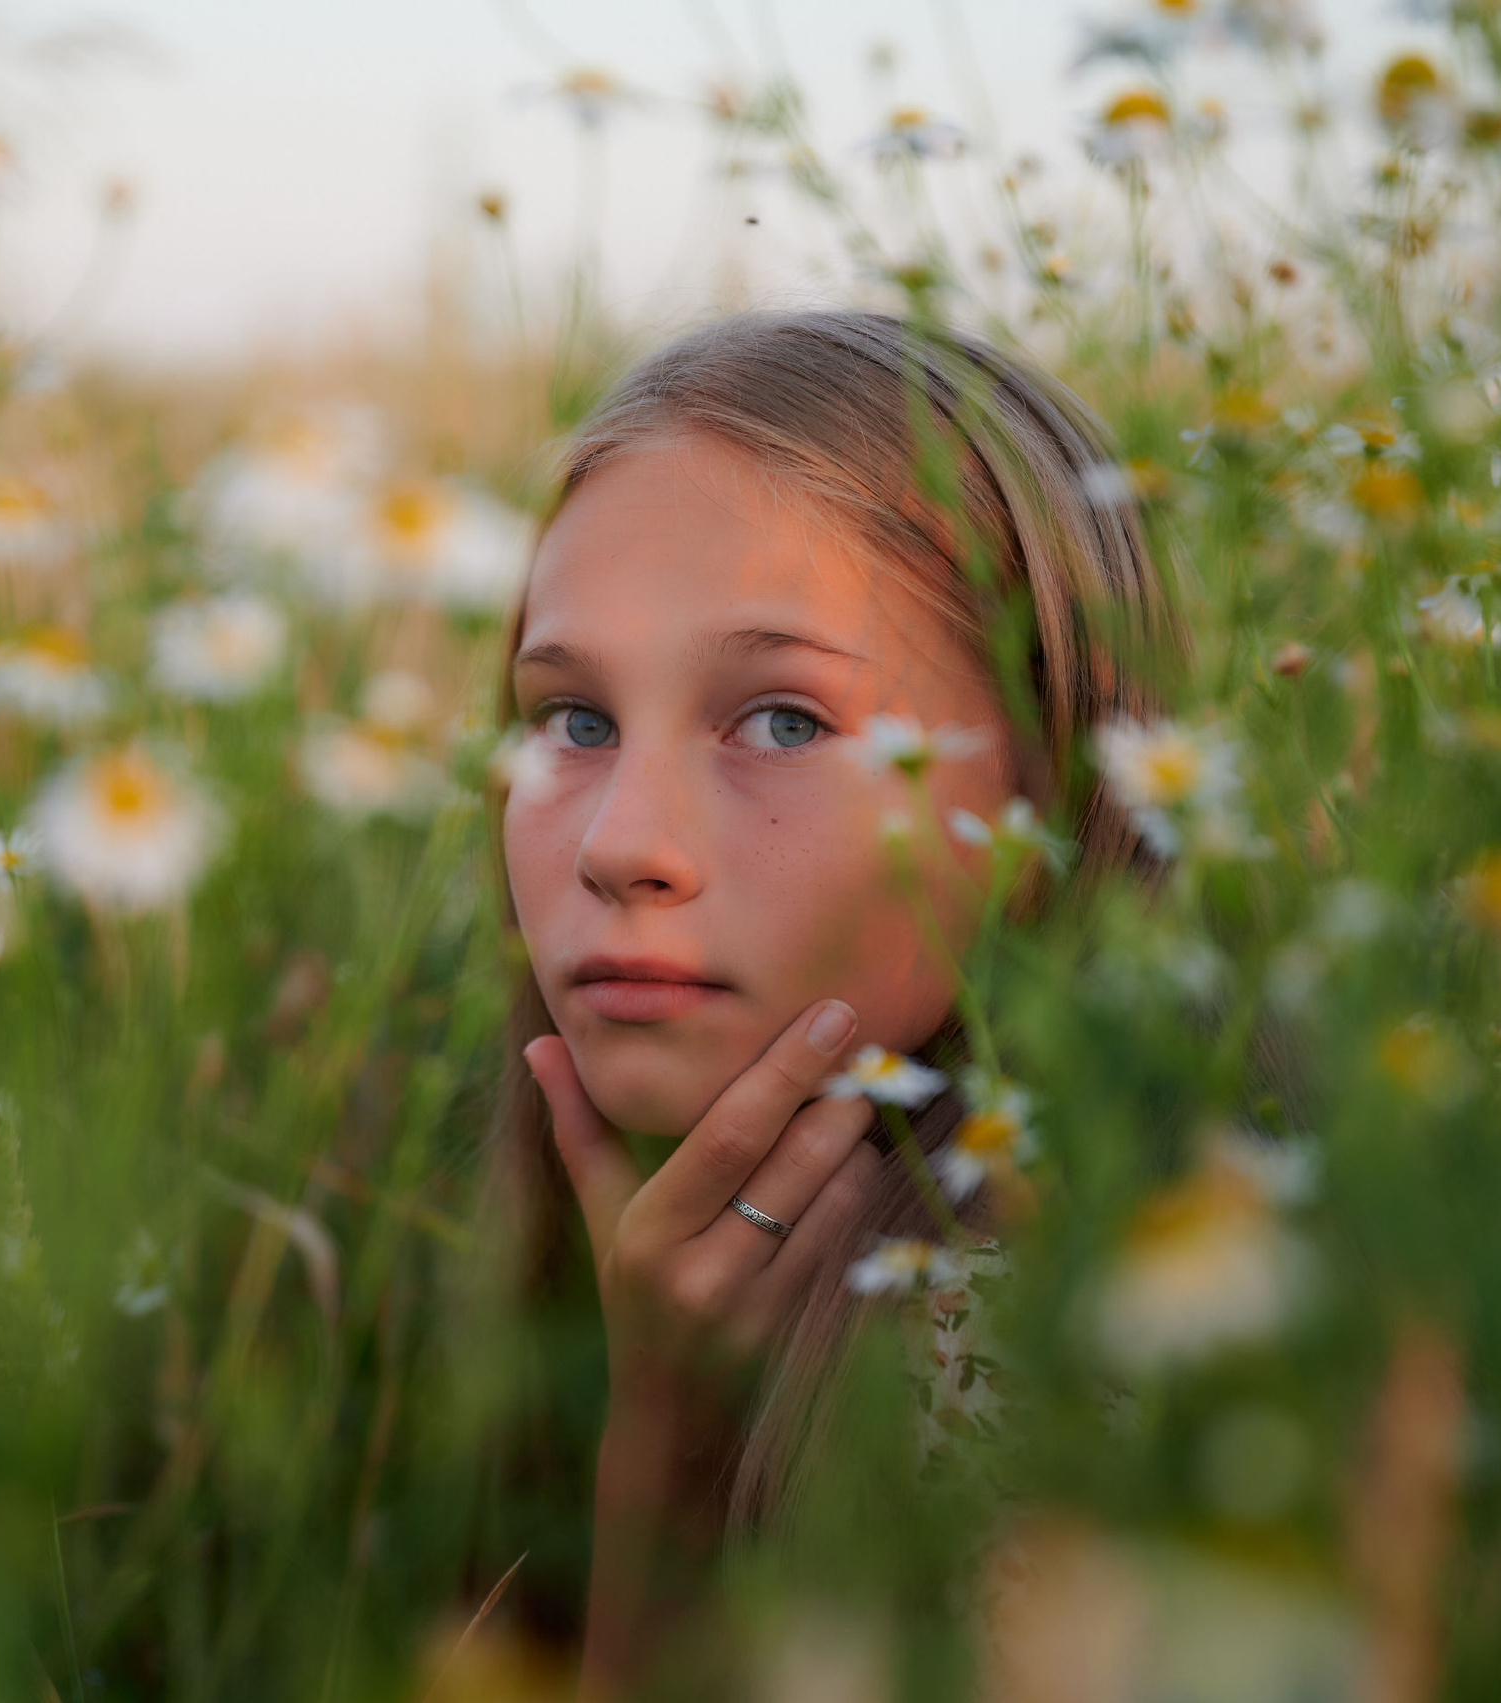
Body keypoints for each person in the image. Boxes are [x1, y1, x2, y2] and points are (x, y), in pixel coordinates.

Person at [484, 309, 1177, 1693]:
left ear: (1053, 800)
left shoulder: (1037, 1394)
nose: (624, 844)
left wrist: (664, 1487)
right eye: (576, 720)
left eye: (787, 720)